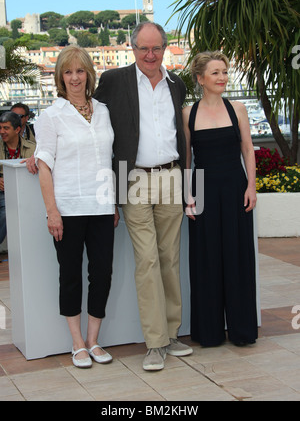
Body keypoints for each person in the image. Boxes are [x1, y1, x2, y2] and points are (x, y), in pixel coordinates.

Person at [94, 21, 193, 371]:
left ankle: (171, 333)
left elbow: (184, 138)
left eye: (156, 48)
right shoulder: (113, 81)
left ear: (165, 48)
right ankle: (154, 343)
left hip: (173, 178)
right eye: (143, 48)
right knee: (147, 261)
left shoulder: (176, 83)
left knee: (170, 260)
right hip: (133, 181)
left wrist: (189, 188)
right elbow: (90, 122)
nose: (150, 55)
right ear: (132, 48)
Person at [34, 45, 119, 369]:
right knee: (70, 276)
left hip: (100, 208)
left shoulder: (103, 110)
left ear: (88, 75)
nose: (74, 77)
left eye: (79, 71)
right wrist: (51, 211)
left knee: (102, 274)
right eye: (68, 72)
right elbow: (44, 165)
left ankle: (94, 340)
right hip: (67, 210)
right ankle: (77, 343)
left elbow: (107, 160)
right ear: (60, 76)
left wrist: (111, 203)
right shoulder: (51, 115)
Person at [183, 51, 258, 347]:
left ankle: (242, 330)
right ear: (200, 78)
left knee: (238, 257)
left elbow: (248, 150)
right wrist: (188, 195)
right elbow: (186, 158)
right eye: (215, 72)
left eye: (224, 72)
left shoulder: (237, 108)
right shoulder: (188, 113)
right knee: (206, 259)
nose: (222, 77)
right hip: (202, 189)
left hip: (235, 187)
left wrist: (251, 186)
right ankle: (209, 332)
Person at [0, 111, 36, 244]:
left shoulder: (33, 148)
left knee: (6, 213)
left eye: (6, 128)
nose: (2, 131)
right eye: (0, 128)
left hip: (24, 191)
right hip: (2, 192)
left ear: (17, 129)